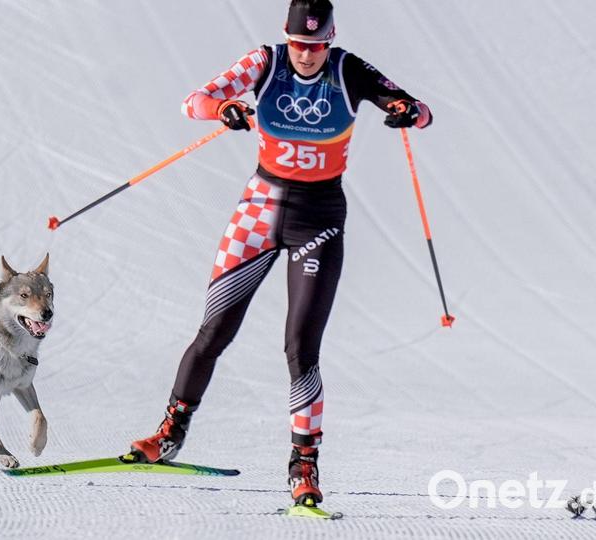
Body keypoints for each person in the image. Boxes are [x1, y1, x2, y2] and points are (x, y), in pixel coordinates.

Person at [129, 0, 433, 507]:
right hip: (258, 211)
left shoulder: (348, 69)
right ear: (285, 37)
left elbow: (419, 111)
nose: (307, 55)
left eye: (316, 46)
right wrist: (223, 108)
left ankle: (304, 466)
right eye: (299, 45)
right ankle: (169, 434)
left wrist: (406, 111)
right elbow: (192, 102)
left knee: (300, 348)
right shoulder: (265, 62)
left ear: (329, 41)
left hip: (319, 219)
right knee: (213, 332)